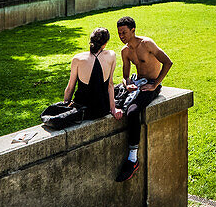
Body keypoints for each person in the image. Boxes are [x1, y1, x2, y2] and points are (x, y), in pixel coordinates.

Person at [115, 16, 173, 182]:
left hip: (150, 85)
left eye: (124, 32)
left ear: (133, 30)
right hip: (137, 83)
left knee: (132, 112)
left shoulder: (147, 44)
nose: (121, 36)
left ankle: (132, 158)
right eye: (119, 33)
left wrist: (155, 85)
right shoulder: (125, 51)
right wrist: (127, 85)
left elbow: (168, 62)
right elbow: (125, 76)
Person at [61, 28, 121, 122]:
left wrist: (65, 107)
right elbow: (110, 84)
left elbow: (70, 88)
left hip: (82, 110)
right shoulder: (111, 55)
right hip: (102, 109)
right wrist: (113, 108)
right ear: (105, 44)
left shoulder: (78, 59)